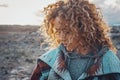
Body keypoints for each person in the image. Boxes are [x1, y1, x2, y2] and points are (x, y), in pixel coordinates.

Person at [31, 0, 120, 80]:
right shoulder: (47, 63)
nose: (61, 37)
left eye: (67, 31)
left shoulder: (110, 64)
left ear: (84, 30)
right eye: (58, 31)